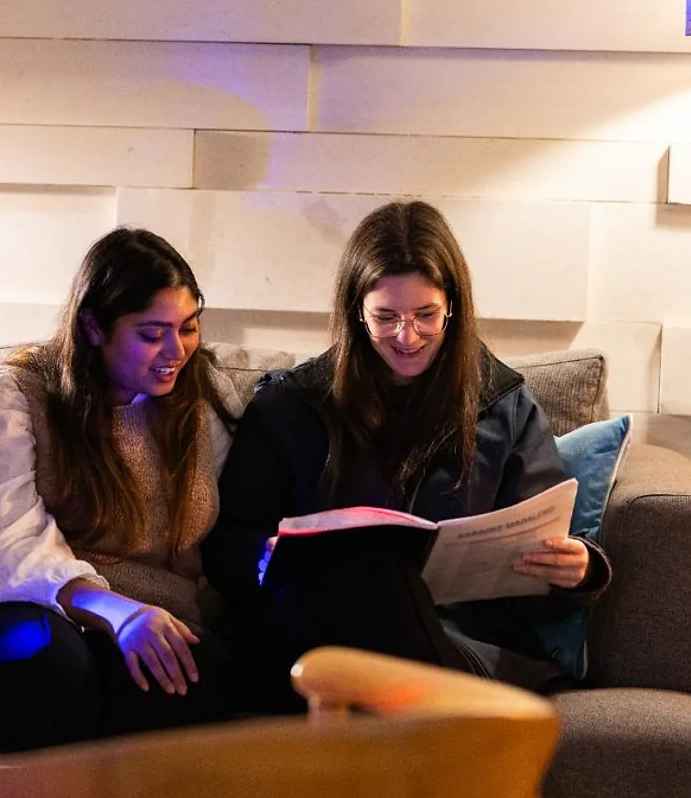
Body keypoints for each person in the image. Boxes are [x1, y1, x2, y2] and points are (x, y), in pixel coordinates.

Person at [205, 200, 610, 708]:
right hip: (315, 635)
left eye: (425, 315)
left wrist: (581, 570)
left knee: (387, 585)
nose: (407, 336)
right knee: (368, 577)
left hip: (457, 643)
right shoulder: (291, 406)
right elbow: (227, 545)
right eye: (385, 317)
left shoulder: (502, 405)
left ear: (452, 307)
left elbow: (546, 547)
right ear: (357, 311)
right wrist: (263, 557)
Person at [0, 227, 236, 753]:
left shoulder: (196, 401)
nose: (175, 350)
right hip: (18, 609)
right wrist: (118, 612)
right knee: (48, 659)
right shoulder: (16, 394)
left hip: (146, 614)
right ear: (94, 327)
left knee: (196, 668)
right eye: (151, 333)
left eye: (187, 327)